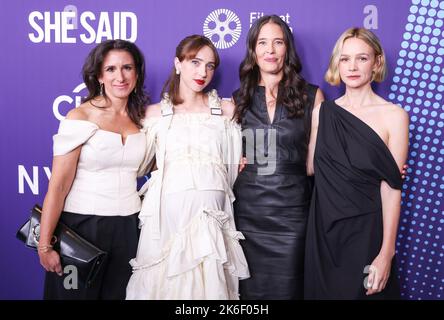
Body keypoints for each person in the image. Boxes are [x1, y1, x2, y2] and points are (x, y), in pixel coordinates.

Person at [126, 35, 249, 300]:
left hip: (212, 219)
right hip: (168, 222)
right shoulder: (154, 115)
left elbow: (240, 161)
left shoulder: (227, 111)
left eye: (209, 65)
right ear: (178, 63)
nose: (202, 72)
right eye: (195, 62)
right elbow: (139, 164)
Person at [38, 39, 150, 299]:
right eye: (111, 69)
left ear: (136, 74)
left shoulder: (142, 121)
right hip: (81, 229)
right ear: (99, 75)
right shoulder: (80, 117)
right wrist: (45, 245)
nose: (119, 76)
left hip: (129, 229)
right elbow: (58, 185)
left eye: (127, 68)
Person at [304, 27, 409, 299]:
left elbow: (392, 188)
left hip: (367, 235)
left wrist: (386, 252)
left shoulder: (394, 116)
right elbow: (310, 168)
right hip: (324, 235)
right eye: (345, 58)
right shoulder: (322, 112)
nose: (352, 66)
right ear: (337, 63)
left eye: (362, 58)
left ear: (377, 62)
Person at [232, 15, 324, 299]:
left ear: (288, 49)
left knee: (290, 290)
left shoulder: (312, 96)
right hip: (247, 216)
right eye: (262, 42)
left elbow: (316, 164)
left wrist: (378, 166)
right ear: (253, 50)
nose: (270, 50)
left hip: (293, 216)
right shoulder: (237, 100)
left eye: (278, 42)